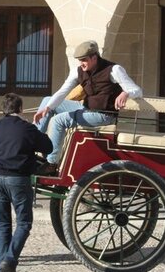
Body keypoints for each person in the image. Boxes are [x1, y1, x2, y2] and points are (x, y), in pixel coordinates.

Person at [33, 40, 142, 175]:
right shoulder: (77, 71)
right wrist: (47, 108)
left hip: (103, 114)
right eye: (79, 60)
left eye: (84, 60)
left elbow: (137, 90)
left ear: (94, 57)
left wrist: (126, 93)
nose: (81, 63)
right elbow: (62, 91)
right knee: (47, 101)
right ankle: (31, 144)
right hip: (85, 108)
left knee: (58, 120)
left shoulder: (114, 70)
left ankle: (51, 164)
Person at [0, 93, 52, 272]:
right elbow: (47, 146)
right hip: (18, 179)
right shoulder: (27, 128)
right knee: (24, 223)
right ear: (21, 109)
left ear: (3, 110)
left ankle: (0, 269)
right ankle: (9, 261)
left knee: (2, 223)